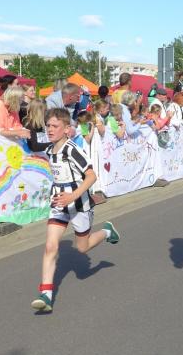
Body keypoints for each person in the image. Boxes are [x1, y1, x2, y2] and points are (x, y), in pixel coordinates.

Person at [31, 108, 120, 313]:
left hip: (79, 203)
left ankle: (107, 231)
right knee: (50, 246)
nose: (50, 129)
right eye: (48, 125)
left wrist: (73, 195)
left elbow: (92, 176)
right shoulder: (49, 150)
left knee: (82, 247)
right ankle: (46, 294)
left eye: (55, 126)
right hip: (59, 203)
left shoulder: (72, 150)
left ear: (66, 129)